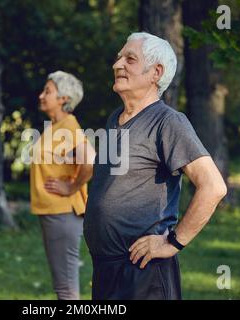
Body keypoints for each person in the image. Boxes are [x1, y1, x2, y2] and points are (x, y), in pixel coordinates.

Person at [83, 32, 228, 300]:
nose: (117, 65)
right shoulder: (115, 118)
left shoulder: (169, 122)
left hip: (143, 272)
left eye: (130, 59)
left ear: (155, 72)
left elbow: (213, 187)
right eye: (118, 58)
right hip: (105, 269)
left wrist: (172, 243)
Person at [30, 70, 95, 300]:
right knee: (63, 287)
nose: (41, 95)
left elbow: (90, 161)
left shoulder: (68, 125)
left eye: (48, 91)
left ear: (63, 99)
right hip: (54, 212)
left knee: (66, 289)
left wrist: (71, 187)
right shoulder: (56, 127)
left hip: (63, 212)